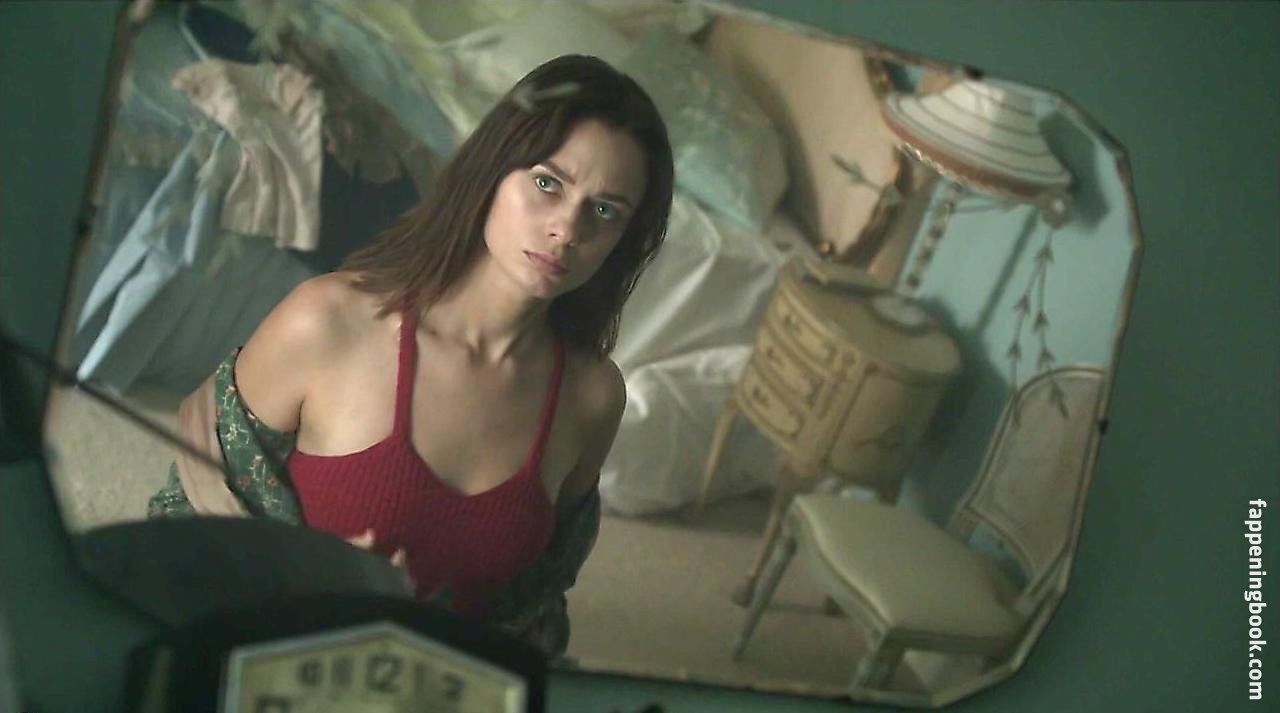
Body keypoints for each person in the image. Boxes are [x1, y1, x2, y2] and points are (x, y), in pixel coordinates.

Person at [148, 54, 674, 655]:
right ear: (492, 172)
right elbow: (185, 513)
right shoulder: (328, 321)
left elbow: (537, 600)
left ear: (624, 240)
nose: (567, 230)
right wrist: (311, 583)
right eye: (547, 183)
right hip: (276, 659)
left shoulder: (593, 396)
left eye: (604, 211)